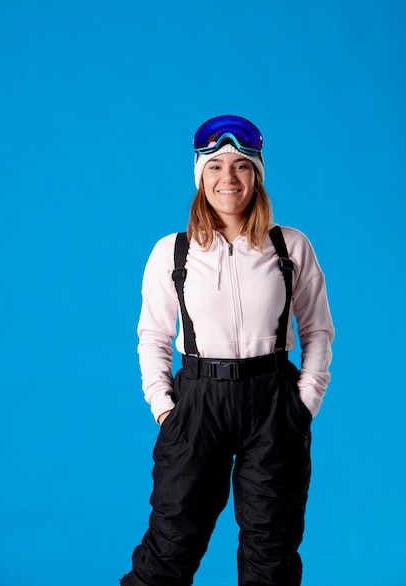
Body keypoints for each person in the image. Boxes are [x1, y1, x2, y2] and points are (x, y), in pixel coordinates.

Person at [120, 115, 334, 586]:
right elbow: (153, 336)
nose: (228, 178)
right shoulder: (171, 253)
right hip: (197, 402)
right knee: (170, 546)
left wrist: (304, 405)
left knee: (271, 551)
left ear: (256, 175)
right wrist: (164, 408)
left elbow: (318, 332)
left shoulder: (290, 247)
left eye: (241, 166)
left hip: (273, 401)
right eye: (215, 166)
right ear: (201, 177)